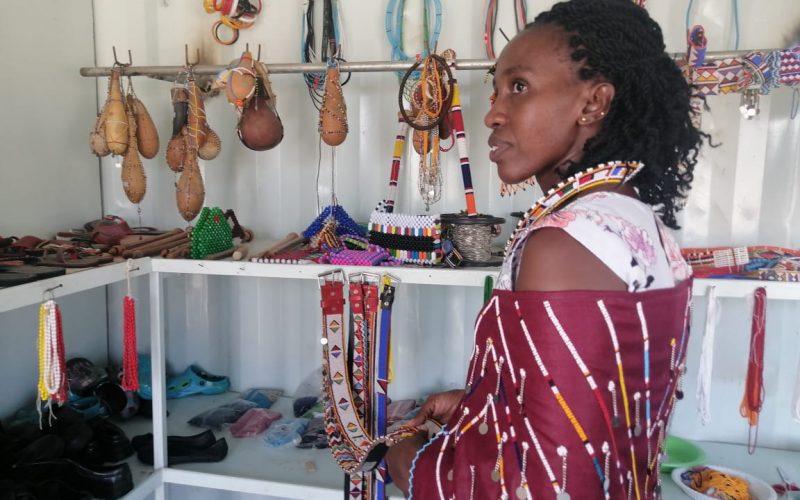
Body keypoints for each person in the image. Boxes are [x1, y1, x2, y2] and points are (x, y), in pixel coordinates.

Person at [385, 0, 704, 498]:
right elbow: (594, 400)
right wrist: (482, 402)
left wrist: (411, 461)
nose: (492, 112)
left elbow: (548, 486)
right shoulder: (637, 221)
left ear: (593, 103)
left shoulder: (561, 243)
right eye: (497, 89)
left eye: (519, 87)